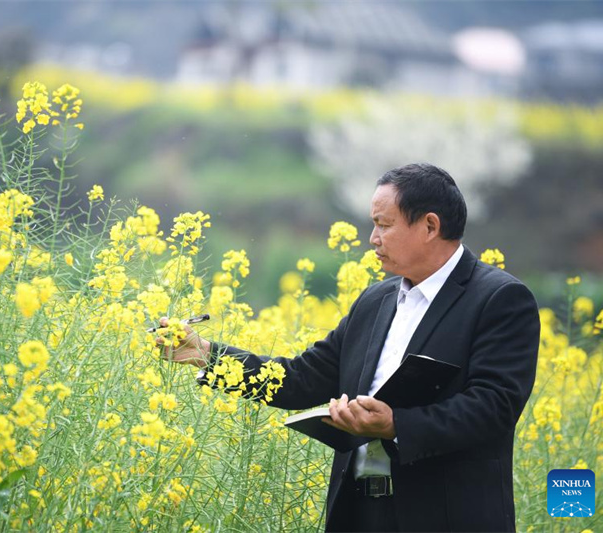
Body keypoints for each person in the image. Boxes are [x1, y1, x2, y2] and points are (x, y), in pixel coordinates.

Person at [155, 163, 540, 532]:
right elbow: (301, 378)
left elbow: (494, 406)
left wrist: (395, 426)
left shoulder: (499, 299)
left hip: (445, 517)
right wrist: (206, 354)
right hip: (357, 512)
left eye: (383, 225)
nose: (373, 239)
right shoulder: (376, 300)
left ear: (429, 226)